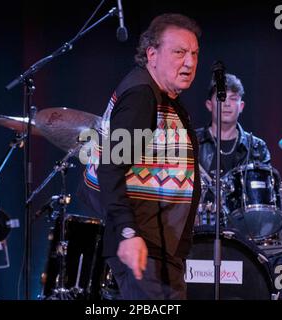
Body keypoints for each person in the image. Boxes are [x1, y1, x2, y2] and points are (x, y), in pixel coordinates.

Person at [79, 13, 201, 299]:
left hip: (157, 246)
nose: (190, 62)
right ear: (152, 54)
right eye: (179, 52)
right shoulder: (141, 97)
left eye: (195, 54)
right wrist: (127, 233)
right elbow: (110, 166)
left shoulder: (159, 95)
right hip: (144, 245)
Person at [196, 73, 282, 300]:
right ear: (209, 104)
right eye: (221, 99)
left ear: (242, 106)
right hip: (204, 227)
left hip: (250, 231)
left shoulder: (257, 146)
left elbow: (268, 198)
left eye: (233, 98)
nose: (227, 104)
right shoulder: (193, 143)